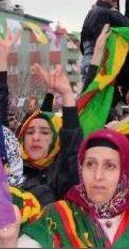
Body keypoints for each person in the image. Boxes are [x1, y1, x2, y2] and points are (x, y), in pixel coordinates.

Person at [18, 129, 129, 248]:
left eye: (110, 166)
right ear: (80, 168)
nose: (98, 176)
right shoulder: (57, 216)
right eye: (90, 164)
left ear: (124, 171)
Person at [16, 64, 83, 206]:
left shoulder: (62, 174)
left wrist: (67, 94)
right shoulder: (12, 169)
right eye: (29, 132)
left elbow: (72, 148)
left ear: (57, 141)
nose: (36, 138)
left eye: (45, 133)